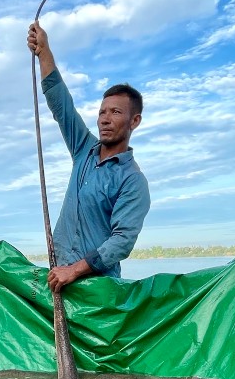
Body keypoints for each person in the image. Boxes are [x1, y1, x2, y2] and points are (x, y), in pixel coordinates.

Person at [26, 21, 150, 291]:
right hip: (58, 278)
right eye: (102, 112)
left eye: (116, 113)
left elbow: (122, 241)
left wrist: (75, 269)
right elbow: (62, 105)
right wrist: (44, 52)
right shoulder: (83, 149)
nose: (105, 119)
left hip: (98, 288)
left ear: (134, 121)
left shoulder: (133, 180)